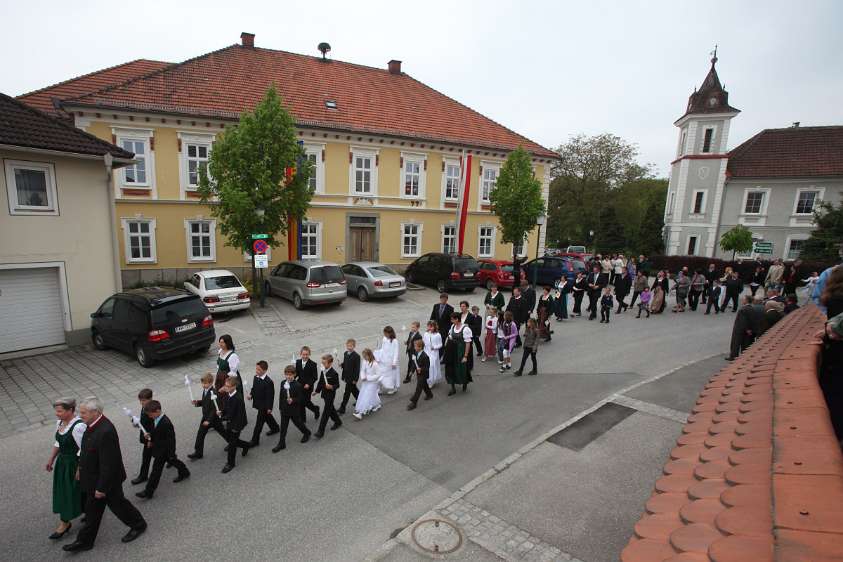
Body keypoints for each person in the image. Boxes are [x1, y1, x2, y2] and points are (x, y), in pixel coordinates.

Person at [63, 397, 146, 552]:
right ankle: (85, 541)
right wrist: (80, 468)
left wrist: (101, 488)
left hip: (107, 481)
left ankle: (139, 525)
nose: (80, 416)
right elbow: (86, 450)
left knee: (118, 505)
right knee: (92, 511)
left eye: (84, 413)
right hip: (94, 479)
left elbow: (109, 463)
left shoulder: (105, 431)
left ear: (95, 412)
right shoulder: (91, 424)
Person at [46, 397, 86, 540]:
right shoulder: (60, 423)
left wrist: (80, 468)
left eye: (60, 411)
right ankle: (67, 521)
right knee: (65, 491)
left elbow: (84, 449)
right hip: (62, 463)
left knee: (76, 490)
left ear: (70, 410)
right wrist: (51, 459)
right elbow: (58, 442)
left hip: (75, 463)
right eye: (56, 411)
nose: (57, 414)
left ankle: (66, 522)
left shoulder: (79, 426)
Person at [135, 400, 190, 499]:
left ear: (157, 411)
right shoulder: (156, 419)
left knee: (157, 470)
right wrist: (150, 437)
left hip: (165, 450)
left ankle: (148, 491)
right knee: (171, 463)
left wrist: (171, 453)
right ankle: (184, 471)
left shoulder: (166, 423)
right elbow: (156, 431)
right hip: (160, 449)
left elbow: (171, 440)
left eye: (150, 414)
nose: (150, 417)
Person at [819, 269, 843, 439]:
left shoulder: (836, 299)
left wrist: (828, 332)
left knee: (834, 398)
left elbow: (835, 330)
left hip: (836, 358)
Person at [272, 365, 311, 451]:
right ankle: (281, 443)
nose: (288, 376)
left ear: (294, 374)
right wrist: (280, 407)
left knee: (299, 424)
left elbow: (300, 398)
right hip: (284, 410)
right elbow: (281, 396)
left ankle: (307, 432)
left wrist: (293, 400)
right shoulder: (283, 383)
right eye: (287, 374)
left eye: (290, 375)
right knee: (283, 428)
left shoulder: (298, 385)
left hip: (294, 410)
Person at [188, 373, 224, 460]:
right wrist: (197, 403)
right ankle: (198, 452)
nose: (203, 385)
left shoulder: (214, 393)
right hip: (206, 416)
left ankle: (238, 443)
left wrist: (208, 420)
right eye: (202, 383)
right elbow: (205, 402)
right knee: (200, 434)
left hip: (213, 419)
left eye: (205, 383)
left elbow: (214, 409)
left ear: (211, 383)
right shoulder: (205, 390)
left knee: (224, 433)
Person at [219, 376, 251, 473]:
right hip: (230, 422)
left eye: (228, 386)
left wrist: (224, 418)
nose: (226, 388)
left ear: (234, 387)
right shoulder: (228, 394)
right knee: (231, 440)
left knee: (232, 444)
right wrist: (221, 412)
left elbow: (237, 414)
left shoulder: (238, 398)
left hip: (237, 424)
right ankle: (246, 445)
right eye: (225, 385)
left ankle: (230, 463)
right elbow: (226, 407)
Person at [247, 360, 280, 447]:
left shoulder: (268, 382)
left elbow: (270, 396)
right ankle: (275, 428)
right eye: (256, 369)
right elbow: (254, 388)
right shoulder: (255, 377)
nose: (256, 371)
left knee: (259, 423)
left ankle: (255, 440)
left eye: (259, 370)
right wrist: (251, 395)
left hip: (264, 406)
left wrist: (269, 408)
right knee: (267, 417)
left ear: (265, 370)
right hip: (258, 403)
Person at [313, 354, 342, 439]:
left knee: (326, 413)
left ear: (330, 363)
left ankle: (320, 431)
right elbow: (321, 382)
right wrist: (316, 391)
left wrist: (332, 387)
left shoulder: (334, 373)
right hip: (325, 394)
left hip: (330, 395)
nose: (322, 365)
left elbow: (337, 385)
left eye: (324, 363)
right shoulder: (323, 371)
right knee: (331, 409)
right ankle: (338, 422)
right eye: (322, 363)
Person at [444, 312, 473, 395]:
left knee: (461, 369)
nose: (451, 321)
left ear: (457, 319)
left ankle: (464, 382)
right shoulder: (453, 326)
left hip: (460, 351)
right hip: (451, 351)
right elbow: (450, 335)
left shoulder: (465, 329)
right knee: (450, 368)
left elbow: (468, 343)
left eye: (452, 319)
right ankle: (452, 388)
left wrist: (465, 356)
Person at [130, 389, 154, 486]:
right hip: (147, 438)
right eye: (140, 400)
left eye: (144, 400)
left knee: (151, 457)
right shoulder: (144, 407)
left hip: (152, 438)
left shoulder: (152, 410)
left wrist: (151, 438)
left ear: (150, 399)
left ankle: (143, 476)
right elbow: (144, 423)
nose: (141, 403)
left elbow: (155, 426)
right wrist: (136, 422)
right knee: (148, 457)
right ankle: (143, 475)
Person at [727, 296, 762, 361]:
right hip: (747, 329)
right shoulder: (752, 308)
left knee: (736, 343)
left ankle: (733, 356)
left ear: (747, 300)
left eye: (744, 299)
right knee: (746, 343)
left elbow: (743, 320)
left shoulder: (743, 309)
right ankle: (744, 356)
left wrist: (747, 329)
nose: (743, 300)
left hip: (740, 329)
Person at [353, 349, 382, 420]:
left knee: (367, 396)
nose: (364, 358)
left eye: (365, 356)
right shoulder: (365, 361)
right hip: (366, 382)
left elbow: (379, 374)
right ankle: (377, 404)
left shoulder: (375, 364)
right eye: (363, 356)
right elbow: (362, 370)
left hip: (373, 382)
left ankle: (361, 413)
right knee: (367, 394)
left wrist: (369, 378)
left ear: (369, 355)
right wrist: (363, 377)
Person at [406, 338, 433, 410]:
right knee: (424, 385)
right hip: (418, 374)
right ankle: (429, 394)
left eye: (415, 346)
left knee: (419, 388)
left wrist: (421, 369)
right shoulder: (416, 353)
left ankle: (414, 402)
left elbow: (427, 367)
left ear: (420, 347)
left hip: (423, 374)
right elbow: (414, 363)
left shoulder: (425, 356)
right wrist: (412, 371)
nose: (414, 348)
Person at [296, 346, 320, 420]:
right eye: (303, 354)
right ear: (301, 354)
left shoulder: (313, 364)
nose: (305, 356)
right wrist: (292, 377)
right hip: (299, 385)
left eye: (307, 354)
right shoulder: (297, 362)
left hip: (308, 387)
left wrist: (309, 384)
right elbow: (296, 373)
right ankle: (302, 419)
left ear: (309, 354)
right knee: (300, 402)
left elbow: (314, 377)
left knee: (306, 402)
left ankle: (315, 409)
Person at [337, 339, 360, 415]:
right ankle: (361, 401)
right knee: (354, 390)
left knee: (346, 393)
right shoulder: (345, 354)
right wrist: (342, 365)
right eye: (348, 346)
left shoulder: (356, 356)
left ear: (354, 346)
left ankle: (342, 409)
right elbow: (345, 364)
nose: (349, 347)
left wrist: (355, 379)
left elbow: (357, 369)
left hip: (352, 378)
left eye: (351, 346)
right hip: (346, 376)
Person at [377, 326, 401, 394]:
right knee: (381, 373)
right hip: (384, 359)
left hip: (391, 361)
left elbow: (396, 352)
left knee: (391, 375)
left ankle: (393, 388)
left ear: (390, 333)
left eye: (386, 333)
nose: (384, 335)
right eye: (384, 333)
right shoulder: (384, 339)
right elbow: (382, 348)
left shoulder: (394, 341)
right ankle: (380, 388)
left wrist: (394, 362)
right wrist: (379, 357)